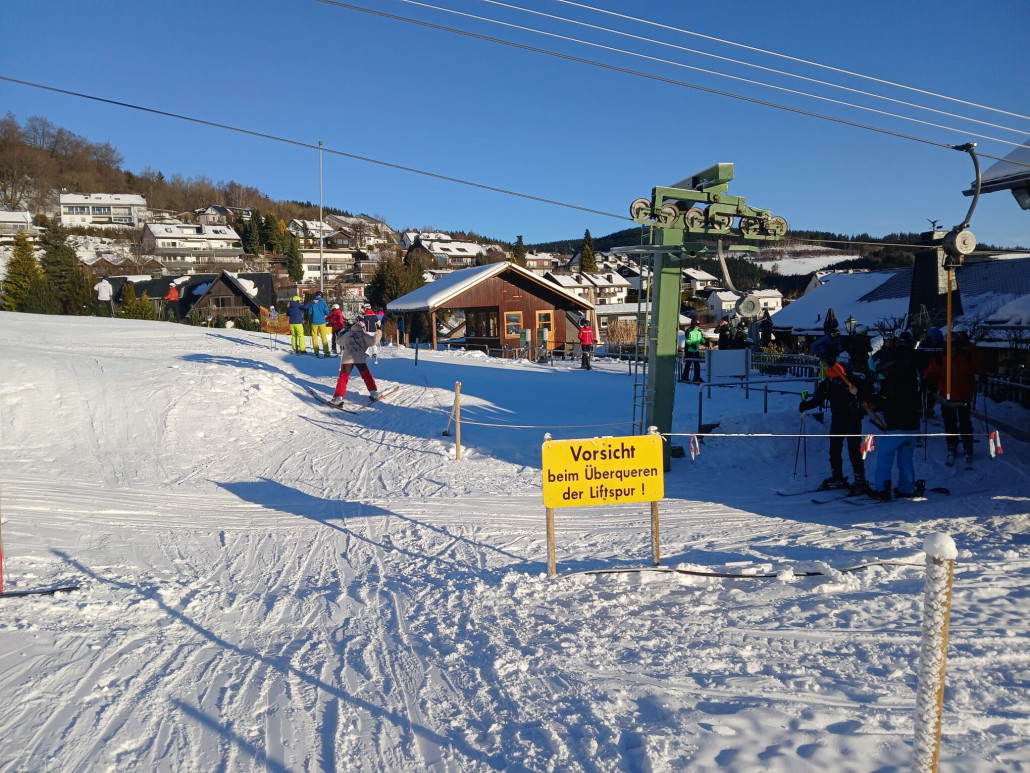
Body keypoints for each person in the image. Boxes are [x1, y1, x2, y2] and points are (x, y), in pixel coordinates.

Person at [798, 350, 870, 491]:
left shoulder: (849, 379)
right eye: (833, 380)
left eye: (838, 379)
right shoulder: (826, 384)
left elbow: (869, 389)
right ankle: (837, 476)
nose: (836, 382)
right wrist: (805, 405)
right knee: (835, 449)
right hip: (837, 418)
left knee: (853, 449)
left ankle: (860, 479)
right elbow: (817, 399)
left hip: (853, 418)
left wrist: (858, 391)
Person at [869, 330, 924, 500]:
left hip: (897, 426)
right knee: (905, 460)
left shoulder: (891, 382)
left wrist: (872, 403)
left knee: (885, 456)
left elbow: (884, 400)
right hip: (913, 426)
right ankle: (906, 488)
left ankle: (882, 489)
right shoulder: (913, 381)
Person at [922, 325, 985, 469]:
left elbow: (978, 367)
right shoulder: (940, 359)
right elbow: (930, 371)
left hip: (963, 396)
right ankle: (952, 444)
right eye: (950, 346)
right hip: (946, 397)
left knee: (965, 423)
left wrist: (982, 375)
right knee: (949, 423)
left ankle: (968, 446)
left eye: (955, 346)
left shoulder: (966, 358)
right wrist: (927, 380)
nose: (953, 349)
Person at [329, 317, 381, 406]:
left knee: (343, 378)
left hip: (347, 359)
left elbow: (338, 341)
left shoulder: (347, 335)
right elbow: (374, 341)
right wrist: (379, 330)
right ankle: (374, 393)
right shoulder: (364, 335)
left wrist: (340, 333)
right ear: (362, 328)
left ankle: (338, 397)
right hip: (360, 359)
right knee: (366, 376)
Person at [915, 327, 944, 419]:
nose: (936, 342)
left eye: (938, 340)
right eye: (935, 340)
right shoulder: (923, 345)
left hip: (937, 372)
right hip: (925, 370)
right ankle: (920, 407)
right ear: (931, 338)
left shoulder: (942, 345)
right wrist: (921, 369)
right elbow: (918, 358)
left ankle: (930, 408)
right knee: (924, 389)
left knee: (933, 390)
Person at [681, 318, 707, 382]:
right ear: (693, 324)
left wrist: (705, 342)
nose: (697, 325)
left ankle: (696, 377)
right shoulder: (689, 330)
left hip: (696, 350)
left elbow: (701, 339)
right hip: (689, 349)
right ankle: (685, 377)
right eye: (696, 324)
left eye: (698, 324)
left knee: (697, 364)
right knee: (688, 363)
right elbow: (687, 340)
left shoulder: (699, 331)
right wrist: (692, 345)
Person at [306, 291, 331, 357]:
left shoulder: (313, 303)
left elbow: (309, 313)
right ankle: (326, 352)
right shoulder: (323, 303)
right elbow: (327, 313)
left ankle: (316, 351)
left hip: (314, 321)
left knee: (314, 336)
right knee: (323, 336)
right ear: (321, 296)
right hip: (322, 322)